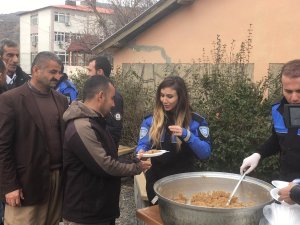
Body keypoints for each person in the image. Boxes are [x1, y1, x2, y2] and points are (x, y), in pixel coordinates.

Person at [62, 75, 151, 225]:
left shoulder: (97, 122)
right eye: (112, 98)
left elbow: (110, 156)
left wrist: (134, 159)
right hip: (85, 214)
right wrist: (137, 167)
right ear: (101, 96)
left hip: (99, 211)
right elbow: (105, 165)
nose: (113, 103)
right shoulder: (82, 126)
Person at [0, 51, 68, 225]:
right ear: (36, 70)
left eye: (59, 72)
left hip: (56, 178)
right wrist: (9, 186)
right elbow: (3, 147)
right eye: (52, 72)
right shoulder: (11, 99)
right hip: (26, 182)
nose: (57, 76)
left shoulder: (61, 100)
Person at [136, 76, 211, 203]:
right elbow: (142, 145)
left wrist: (187, 135)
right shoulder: (150, 120)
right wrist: (140, 152)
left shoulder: (196, 121)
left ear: (181, 98)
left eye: (169, 96)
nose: (164, 100)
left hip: (185, 182)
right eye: (162, 95)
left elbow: (205, 153)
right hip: (156, 181)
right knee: (157, 218)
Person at [240, 59, 300, 181]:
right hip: (286, 183)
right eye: (288, 91)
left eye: (299, 91)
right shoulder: (277, 110)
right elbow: (278, 140)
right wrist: (258, 154)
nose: (294, 98)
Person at [87, 56, 123, 147]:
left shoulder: (114, 97)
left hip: (105, 151)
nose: (88, 74)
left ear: (99, 72)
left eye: (90, 70)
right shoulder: (91, 93)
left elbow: (114, 129)